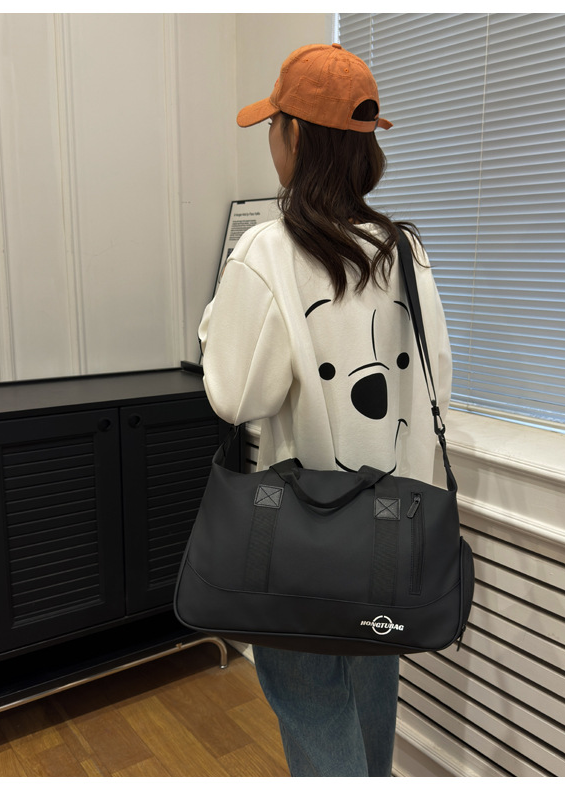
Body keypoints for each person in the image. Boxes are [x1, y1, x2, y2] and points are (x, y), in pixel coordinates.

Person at [197, 42, 452, 777]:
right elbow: (436, 382)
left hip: (301, 535)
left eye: (273, 125)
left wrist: (215, 321)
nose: (270, 141)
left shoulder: (269, 250)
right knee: (371, 687)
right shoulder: (404, 249)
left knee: (309, 698)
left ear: (297, 137)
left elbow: (235, 396)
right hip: (393, 530)